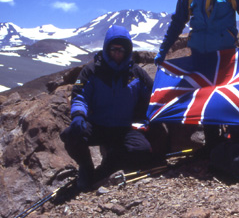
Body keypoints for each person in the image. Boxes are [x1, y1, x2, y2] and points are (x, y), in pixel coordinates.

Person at [154, 0, 239, 154]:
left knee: (228, 95)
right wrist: (164, 49)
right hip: (200, 55)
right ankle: (213, 146)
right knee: (206, 97)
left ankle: (237, 142)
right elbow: (177, 23)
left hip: (225, 54)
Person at [60, 25, 163, 191]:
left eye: (122, 50)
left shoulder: (136, 73)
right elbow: (80, 95)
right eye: (114, 49)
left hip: (124, 128)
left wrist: (150, 118)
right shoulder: (91, 71)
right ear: (107, 48)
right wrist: (78, 115)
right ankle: (86, 168)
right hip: (97, 126)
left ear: (127, 51)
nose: (117, 53)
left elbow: (154, 96)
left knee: (142, 151)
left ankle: (109, 163)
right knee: (70, 135)